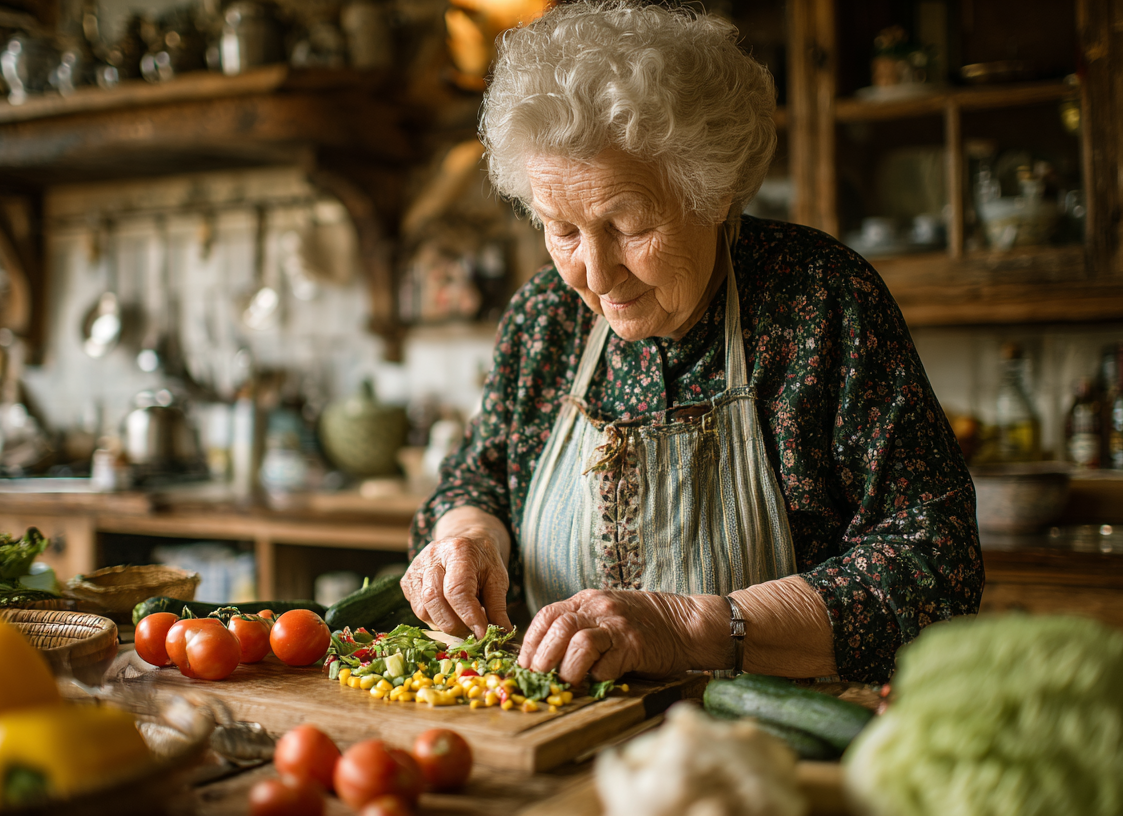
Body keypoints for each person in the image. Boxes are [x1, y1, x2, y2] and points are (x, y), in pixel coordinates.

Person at [402, 1, 982, 687]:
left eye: (629, 226)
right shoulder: (544, 319)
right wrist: (465, 538)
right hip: (552, 726)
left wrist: (685, 627)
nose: (595, 274)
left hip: (768, 739)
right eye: (563, 230)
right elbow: (480, 477)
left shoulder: (821, 301)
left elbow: (931, 564)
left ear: (714, 192)